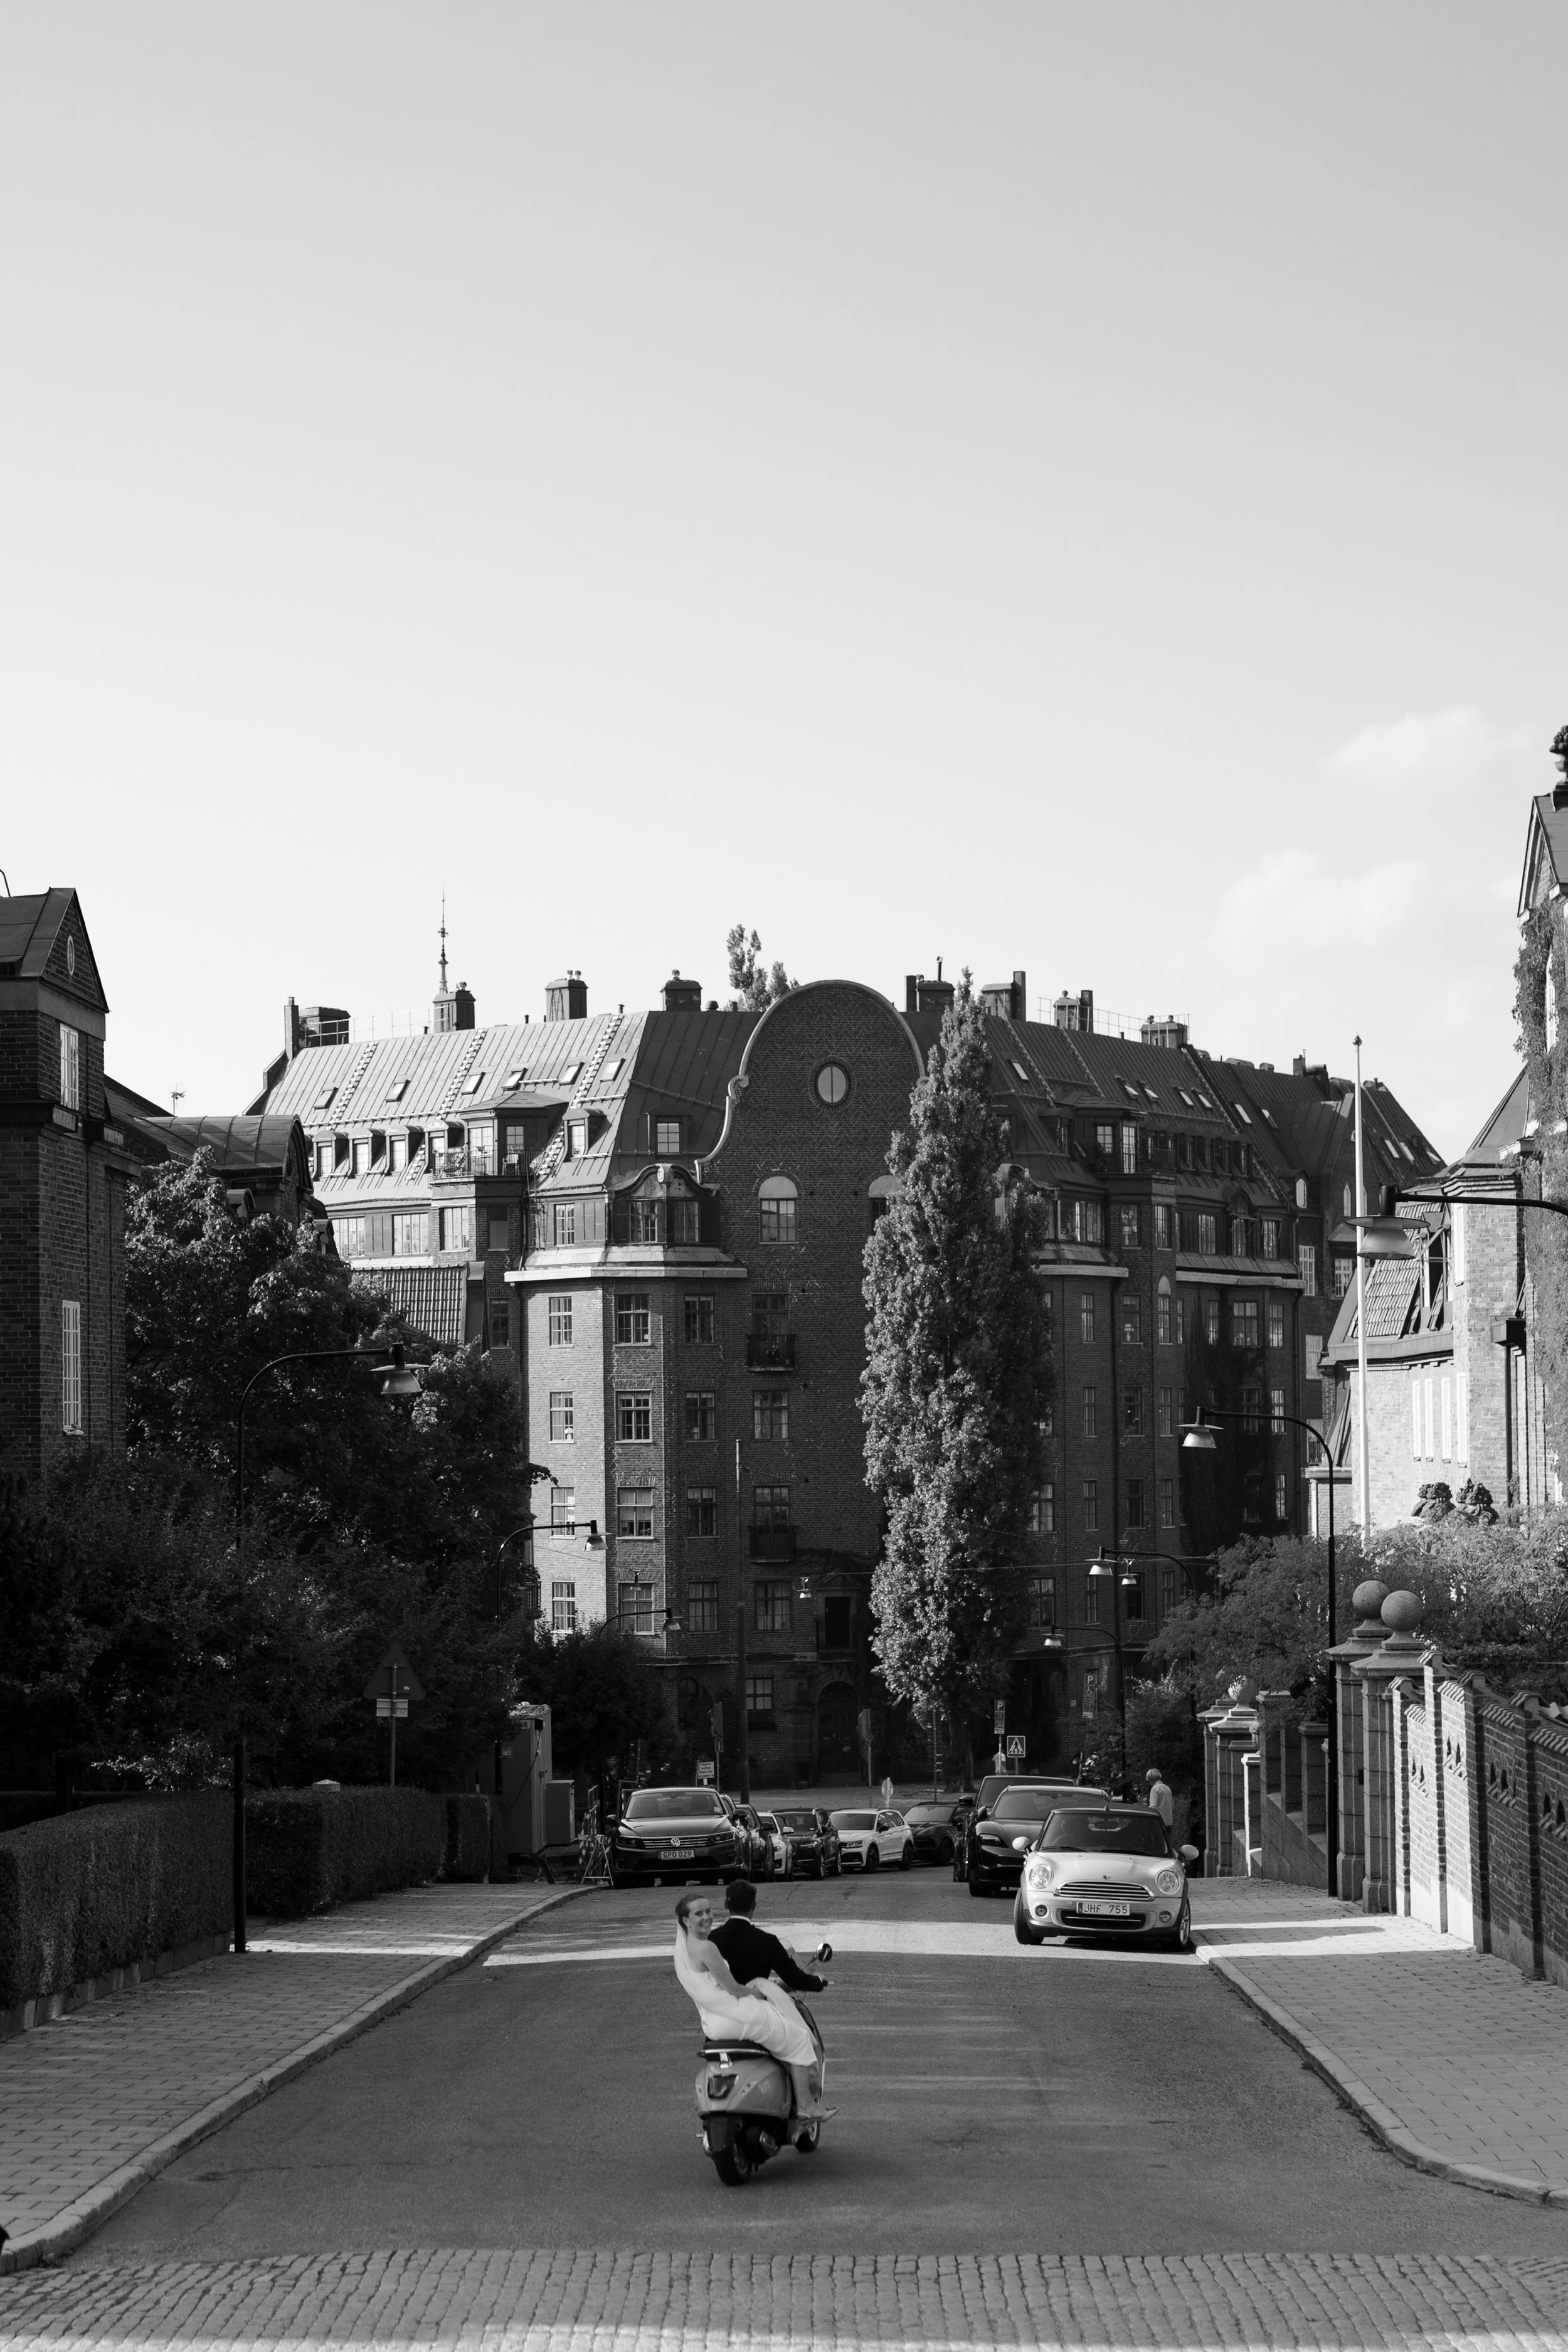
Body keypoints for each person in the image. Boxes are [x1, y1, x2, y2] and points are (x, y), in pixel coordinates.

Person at [672, 1892, 832, 2121]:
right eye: (699, 1913)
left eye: (708, 1911)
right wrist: (759, 1993)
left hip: (712, 2023)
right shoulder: (707, 1948)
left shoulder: (686, 1949)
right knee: (799, 2038)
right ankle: (806, 2106)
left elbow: (713, 1987)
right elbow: (734, 1989)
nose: (707, 1917)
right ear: (686, 1921)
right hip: (735, 2018)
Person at [710, 1878, 827, 1998]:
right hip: (757, 2009)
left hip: (719, 2009)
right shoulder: (767, 1941)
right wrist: (819, 1980)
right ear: (754, 1906)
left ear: (726, 1904)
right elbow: (794, 1979)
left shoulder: (712, 1938)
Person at [1145, 1766, 1175, 1833]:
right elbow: (1173, 1806)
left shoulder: (1155, 1789)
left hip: (1159, 1822)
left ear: (1151, 1780)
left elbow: (1153, 1807)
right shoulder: (1167, 1788)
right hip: (1169, 1821)